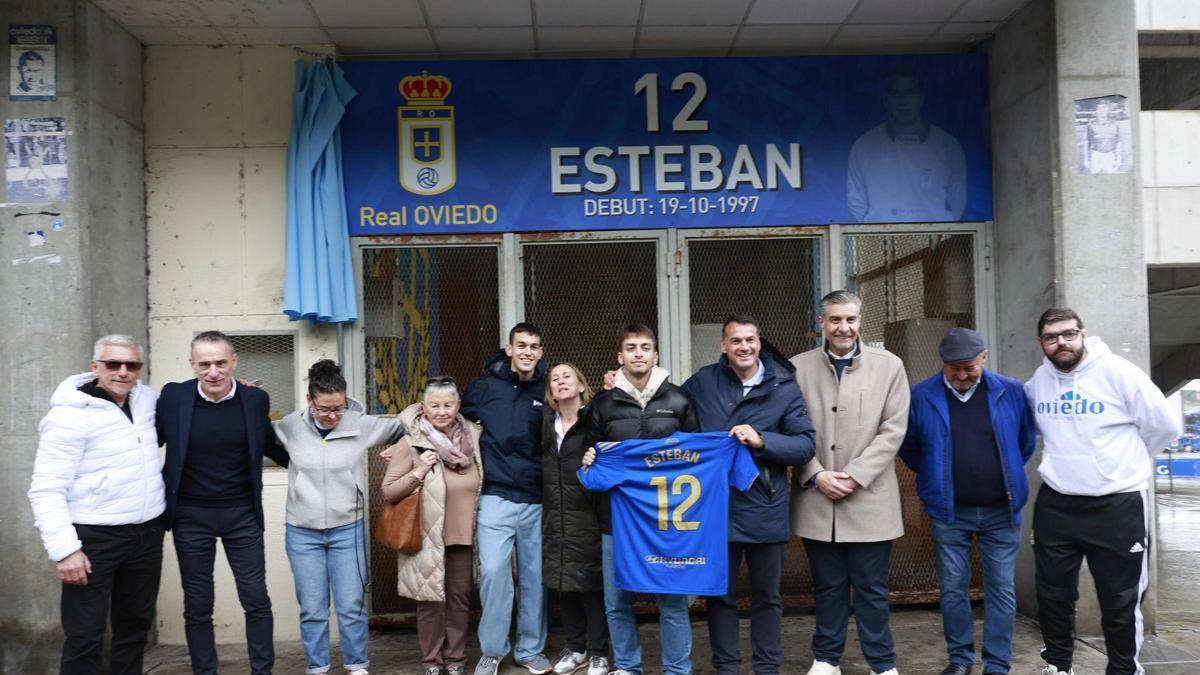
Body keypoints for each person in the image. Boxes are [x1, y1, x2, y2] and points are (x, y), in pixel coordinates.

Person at [1026, 309, 1180, 675]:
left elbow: (1164, 427)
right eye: (1051, 337)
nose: (1061, 342)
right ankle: (1059, 666)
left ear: (1083, 334)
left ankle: (1124, 670)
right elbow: (1034, 429)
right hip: (1058, 503)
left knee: (1120, 600)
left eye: (1068, 334)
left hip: (1117, 505)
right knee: (1053, 595)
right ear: (1041, 343)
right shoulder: (1039, 381)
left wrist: (1119, 467)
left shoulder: (1118, 373)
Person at [680, 314, 816, 675]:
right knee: (719, 595)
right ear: (723, 346)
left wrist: (763, 440)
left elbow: (805, 445)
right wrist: (619, 389)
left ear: (759, 343)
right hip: (715, 507)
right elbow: (669, 417)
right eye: (736, 341)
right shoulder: (702, 383)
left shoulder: (783, 387)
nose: (744, 347)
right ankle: (726, 667)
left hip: (764, 506)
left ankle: (767, 667)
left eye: (751, 340)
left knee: (767, 597)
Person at [898, 328, 1036, 675]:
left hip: (1001, 510)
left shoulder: (1011, 390)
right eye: (953, 368)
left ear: (984, 358)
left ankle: (996, 664)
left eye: (969, 368)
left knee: (1001, 588)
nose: (961, 376)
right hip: (949, 511)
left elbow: (1024, 443)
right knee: (953, 588)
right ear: (942, 363)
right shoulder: (921, 395)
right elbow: (911, 448)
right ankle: (960, 660)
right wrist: (936, 476)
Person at [28, 334, 165, 674]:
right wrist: (65, 550)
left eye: (131, 365)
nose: (123, 371)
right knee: (85, 635)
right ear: (95, 367)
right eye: (112, 364)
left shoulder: (147, 401)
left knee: (134, 629)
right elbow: (45, 489)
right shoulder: (69, 416)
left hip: (146, 534)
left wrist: (239, 387)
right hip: (93, 539)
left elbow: (196, 399)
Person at [157, 330, 290, 675]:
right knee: (198, 606)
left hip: (241, 515)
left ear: (234, 361)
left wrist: (320, 463)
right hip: (190, 516)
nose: (213, 371)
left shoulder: (255, 400)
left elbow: (270, 446)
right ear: (192, 364)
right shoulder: (173, 398)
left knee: (256, 600)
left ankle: (262, 671)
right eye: (204, 364)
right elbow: (143, 438)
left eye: (220, 363)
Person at [791, 290, 909, 675]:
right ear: (821, 323)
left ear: (861, 322)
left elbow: (893, 431)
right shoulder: (797, 368)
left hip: (870, 498)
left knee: (872, 589)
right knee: (827, 587)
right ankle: (826, 659)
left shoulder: (889, 366)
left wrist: (855, 476)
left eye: (851, 320)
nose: (844, 327)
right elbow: (789, 429)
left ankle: (882, 663)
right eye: (835, 320)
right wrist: (816, 473)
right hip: (817, 497)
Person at [273, 360, 406, 675]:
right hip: (302, 532)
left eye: (339, 408)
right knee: (313, 609)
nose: (333, 416)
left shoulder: (358, 423)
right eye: (324, 409)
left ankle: (357, 665)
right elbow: (254, 429)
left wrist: (402, 450)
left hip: (348, 529)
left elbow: (407, 425)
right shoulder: (290, 426)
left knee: (351, 606)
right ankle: (317, 668)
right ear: (310, 401)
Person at [582, 324, 699, 675]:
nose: (638, 353)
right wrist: (589, 461)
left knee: (672, 601)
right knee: (616, 601)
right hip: (616, 520)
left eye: (645, 347)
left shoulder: (678, 400)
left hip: (666, 520)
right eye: (631, 347)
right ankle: (629, 667)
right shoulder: (602, 405)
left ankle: (677, 669)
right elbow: (589, 457)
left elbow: (696, 453)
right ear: (620, 357)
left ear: (655, 355)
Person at [462, 323, 553, 675]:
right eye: (522, 345)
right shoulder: (483, 387)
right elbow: (446, 417)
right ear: (509, 348)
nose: (528, 351)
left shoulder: (548, 389)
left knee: (533, 577)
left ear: (540, 352)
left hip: (536, 496)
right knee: (495, 573)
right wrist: (408, 441)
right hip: (496, 495)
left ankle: (530, 649)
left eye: (534, 346)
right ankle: (493, 650)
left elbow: (578, 413)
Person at [383, 377, 484, 675]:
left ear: (458, 406)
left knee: (459, 601)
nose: (441, 411)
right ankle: (431, 662)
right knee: (430, 603)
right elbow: (389, 491)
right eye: (435, 405)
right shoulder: (410, 442)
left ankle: (455, 660)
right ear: (423, 407)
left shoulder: (475, 438)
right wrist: (420, 469)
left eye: (448, 405)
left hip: (464, 536)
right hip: (427, 537)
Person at [541, 363, 609, 675]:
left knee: (591, 585)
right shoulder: (544, 425)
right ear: (551, 392)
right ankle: (576, 648)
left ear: (581, 385)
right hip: (556, 515)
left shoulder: (593, 421)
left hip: (588, 513)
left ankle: (598, 652)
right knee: (564, 584)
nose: (560, 381)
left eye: (567, 376)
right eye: (555, 378)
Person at [847, 65, 966, 223]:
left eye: (910, 92)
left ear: (921, 98)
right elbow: (856, 204)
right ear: (886, 100)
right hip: (878, 244)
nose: (903, 101)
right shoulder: (863, 146)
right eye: (895, 93)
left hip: (936, 244)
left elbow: (958, 203)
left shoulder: (948, 146)